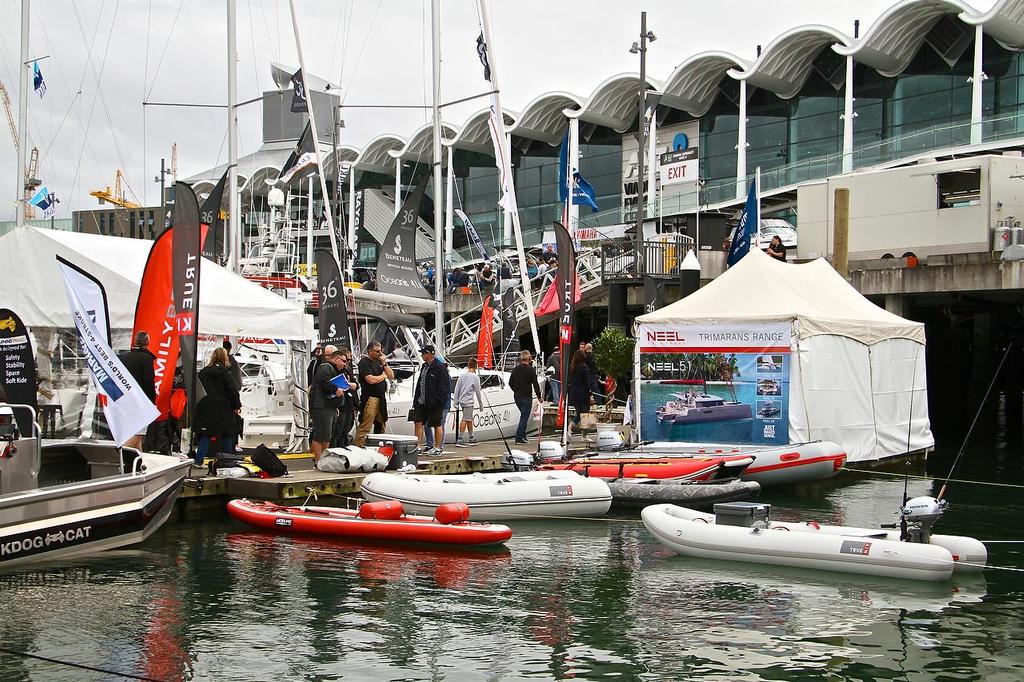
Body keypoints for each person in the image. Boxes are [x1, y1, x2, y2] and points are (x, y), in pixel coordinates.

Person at [192, 347, 243, 466]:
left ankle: (198, 461)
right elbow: (232, 391)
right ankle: (226, 461)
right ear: (224, 358)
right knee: (227, 433)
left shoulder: (203, 373)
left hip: (206, 407)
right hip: (223, 407)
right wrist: (236, 406)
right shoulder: (226, 373)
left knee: (206, 434)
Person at [118, 331, 157, 451]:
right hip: (140, 401)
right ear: (147, 343)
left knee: (135, 432)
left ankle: (139, 460)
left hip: (124, 399)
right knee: (139, 432)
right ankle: (120, 456)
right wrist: (152, 401)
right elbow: (148, 381)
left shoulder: (124, 357)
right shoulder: (146, 359)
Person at [308, 349, 347, 465]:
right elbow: (323, 380)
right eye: (343, 361)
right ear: (335, 359)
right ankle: (318, 461)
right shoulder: (326, 367)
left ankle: (324, 460)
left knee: (327, 435)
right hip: (321, 405)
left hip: (329, 406)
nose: (345, 364)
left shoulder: (335, 370)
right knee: (320, 434)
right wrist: (335, 389)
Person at [410, 346, 450, 455]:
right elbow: (420, 383)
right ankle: (417, 446)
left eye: (423, 353)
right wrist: (416, 400)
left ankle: (438, 447)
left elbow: (444, 387)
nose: (422, 355)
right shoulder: (424, 366)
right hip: (421, 401)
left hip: (434, 402)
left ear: (429, 354)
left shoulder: (439, 367)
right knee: (418, 422)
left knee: (437, 424)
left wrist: (438, 401)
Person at [354, 340, 394, 446]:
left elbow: (391, 375)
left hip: (381, 397)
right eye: (377, 351)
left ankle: (379, 446)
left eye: (381, 351)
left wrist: (384, 363)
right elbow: (370, 380)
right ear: (370, 351)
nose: (379, 354)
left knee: (381, 424)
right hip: (370, 397)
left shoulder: (379, 361)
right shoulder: (364, 362)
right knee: (366, 425)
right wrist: (383, 376)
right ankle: (359, 447)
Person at [508, 350, 543, 444]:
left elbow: (510, 383)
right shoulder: (531, 370)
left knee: (523, 416)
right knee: (524, 417)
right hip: (526, 396)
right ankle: (518, 437)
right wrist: (539, 396)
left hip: (517, 396)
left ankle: (523, 436)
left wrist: (515, 390)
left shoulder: (516, 369)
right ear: (529, 359)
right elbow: (535, 384)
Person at [330, 348, 359, 448]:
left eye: (348, 361)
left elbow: (356, 385)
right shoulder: (334, 370)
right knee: (338, 430)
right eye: (345, 361)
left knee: (346, 429)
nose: (346, 363)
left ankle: (345, 448)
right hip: (340, 404)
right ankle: (336, 449)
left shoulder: (347, 370)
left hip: (349, 403)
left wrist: (350, 384)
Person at [453, 358, 484, 446]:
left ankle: (471, 437)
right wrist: (481, 404)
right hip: (468, 401)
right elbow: (478, 391)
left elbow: (457, 389)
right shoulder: (475, 377)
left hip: (462, 400)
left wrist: (455, 402)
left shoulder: (462, 375)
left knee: (469, 418)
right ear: (476, 367)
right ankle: (460, 438)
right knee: (466, 418)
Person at [567, 350, 592, 435]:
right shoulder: (583, 367)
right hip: (583, 395)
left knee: (579, 413)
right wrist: (590, 393)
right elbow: (586, 382)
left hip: (574, 394)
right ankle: (583, 435)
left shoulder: (572, 367)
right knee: (585, 414)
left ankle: (571, 425)